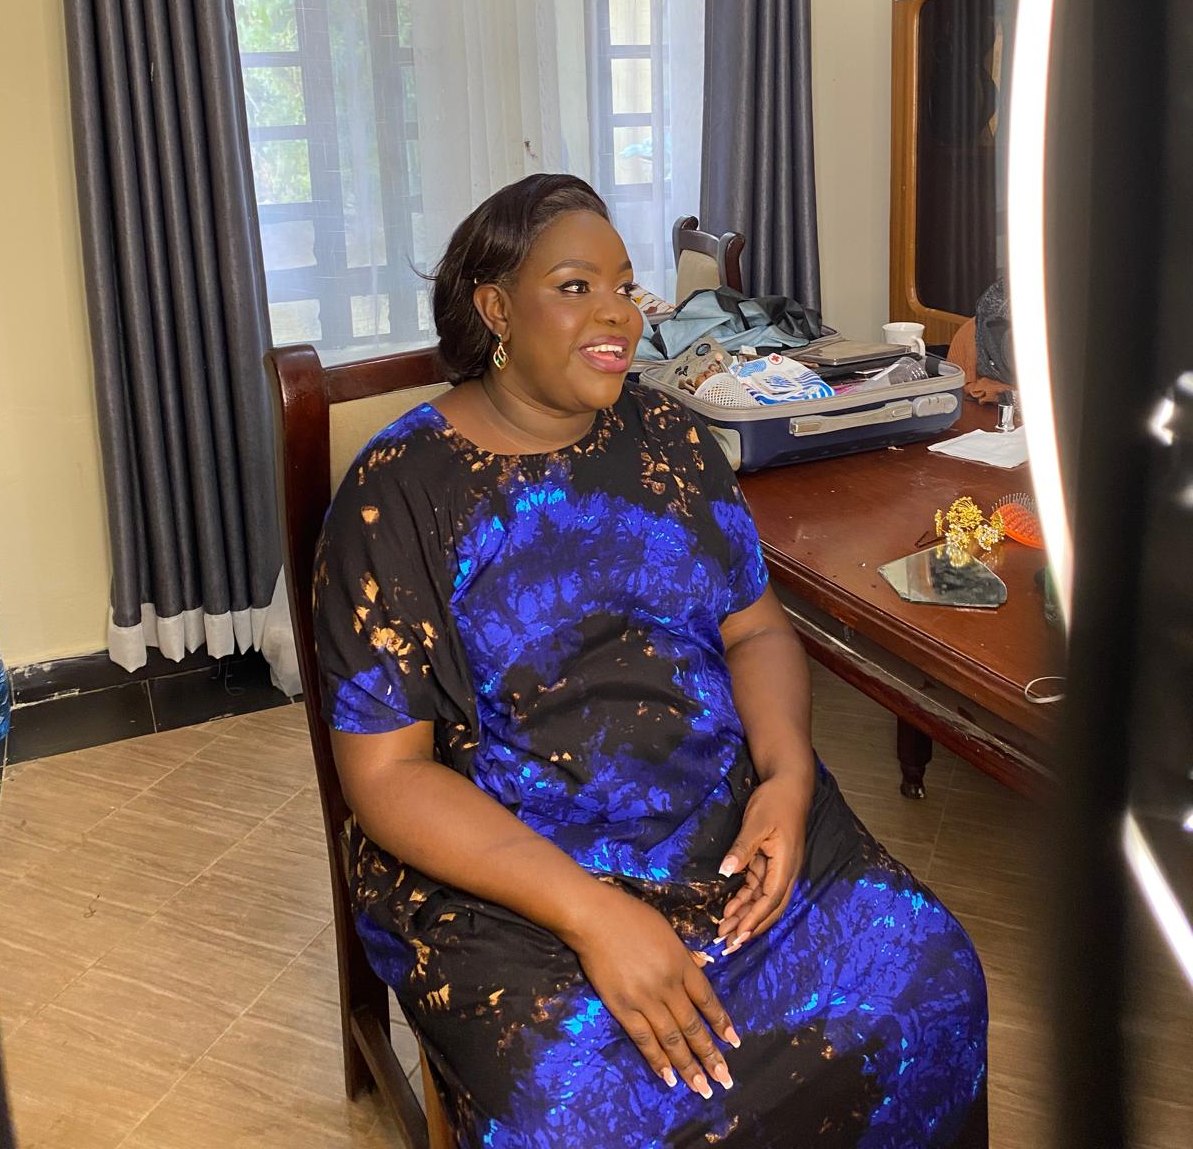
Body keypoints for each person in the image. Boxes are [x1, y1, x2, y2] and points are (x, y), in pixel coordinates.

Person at [315, 174, 988, 1148]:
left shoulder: (669, 434)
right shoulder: (399, 493)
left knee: (934, 979)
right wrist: (591, 915)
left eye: (625, 286)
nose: (618, 314)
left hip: (718, 816)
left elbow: (755, 630)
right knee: (584, 1111)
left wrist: (787, 780)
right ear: (496, 308)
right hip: (511, 871)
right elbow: (386, 777)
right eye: (576, 286)